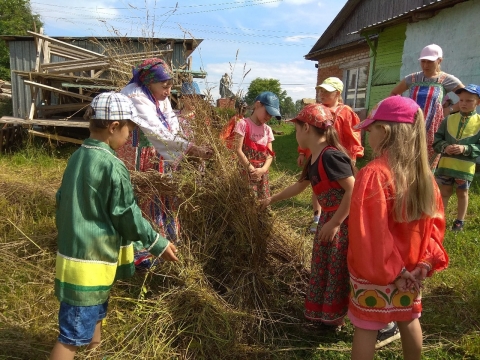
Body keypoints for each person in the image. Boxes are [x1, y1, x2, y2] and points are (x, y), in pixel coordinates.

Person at [50, 93, 179, 360]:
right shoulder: (112, 165)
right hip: (88, 263)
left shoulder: (77, 157)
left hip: (76, 256)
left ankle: (97, 353)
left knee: (96, 310)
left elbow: (61, 200)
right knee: (71, 337)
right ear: (113, 127)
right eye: (128, 129)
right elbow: (126, 214)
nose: (129, 137)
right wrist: (157, 243)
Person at [348, 96, 449, 360]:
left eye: (370, 129)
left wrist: (394, 271)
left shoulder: (374, 174)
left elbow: (370, 233)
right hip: (413, 272)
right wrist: (423, 264)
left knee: (367, 327)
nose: (367, 135)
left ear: (385, 131)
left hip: (378, 272)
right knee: (409, 320)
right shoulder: (426, 177)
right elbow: (435, 227)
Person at [261, 103, 355, 330]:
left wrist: (334, 222)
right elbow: (299, 186)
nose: (295, 135)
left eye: (296, 129)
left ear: (306, 129)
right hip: (329, 221)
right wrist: (269, 200)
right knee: (322, 265)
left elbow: (354, 190)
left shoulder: (330, 156)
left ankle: (335, 320)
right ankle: (321, 315)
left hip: (342, 222)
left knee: (336, 270)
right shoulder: (315, 156)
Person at [117, 58, 211, 268]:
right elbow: (155, 130)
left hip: (161, 155)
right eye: (165, 86)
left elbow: (172, 126)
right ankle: (141, 251)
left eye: (170, 86)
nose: (168, 91)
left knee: (164, 194)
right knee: (143, 196)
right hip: (139, 155)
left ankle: (166, 242)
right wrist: (189, 149)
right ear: (149, 81)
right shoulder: (135, 95)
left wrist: (188, 147)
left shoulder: (161, 97)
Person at [298, 77, 364, 233]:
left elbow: (353, 134)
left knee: (339, 189)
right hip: (317, 155)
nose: (322, 94)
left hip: (335, 159)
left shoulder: (346, 112)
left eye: (327, 91)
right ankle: (317, 217)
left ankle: (339, 218)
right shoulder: (316, 110)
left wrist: (353, 156)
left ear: (338, 93)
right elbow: (304, 133)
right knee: (316, 185)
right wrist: (302, 152)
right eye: (321, 90)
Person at [390, 44, 464, 168]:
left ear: (439, 60)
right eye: (423, 61)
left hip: (433, 131)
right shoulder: (413, 78)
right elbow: (394, 93)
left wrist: (449, 109)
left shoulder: (446, 80)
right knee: (407, 164)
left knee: (427, 168)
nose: (425, 65)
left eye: (430, 62)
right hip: (410, 127)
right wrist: (400, 110)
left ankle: (427, 187)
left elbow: (467, 98)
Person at [433, 84, 480, 231]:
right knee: (444, 192)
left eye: (469, 100)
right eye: (461, 100)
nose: (464, 103)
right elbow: (437, 140)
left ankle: (459, 221)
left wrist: (465, 148)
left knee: (462, 193)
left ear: (478, 102)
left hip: (464, 168)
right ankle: (440, 218)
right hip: (446, 165)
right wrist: (445, 146)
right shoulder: (448, 120)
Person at [234, 91, 280, 199]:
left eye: (271, 115)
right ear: (258, 105)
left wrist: (263, 170)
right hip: (246, 171)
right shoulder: (243, 124)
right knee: (246, 200)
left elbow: (269, 154)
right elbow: (238, 150)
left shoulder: (268, 130)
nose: (269, 117)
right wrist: (251, 169)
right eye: (267, 112)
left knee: (262, 200)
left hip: (262, 174)